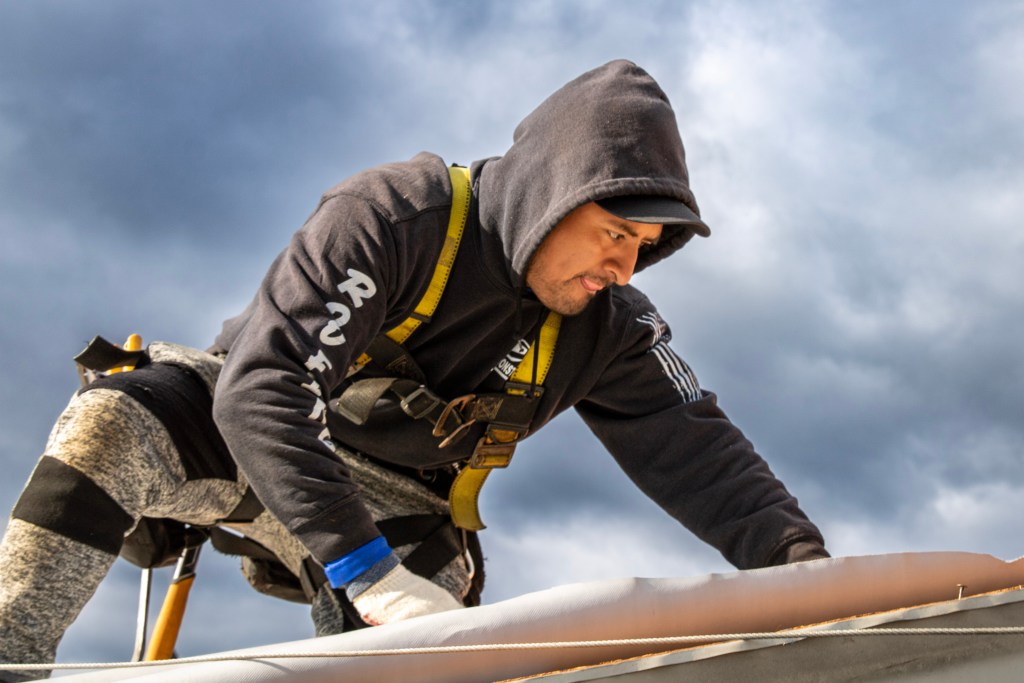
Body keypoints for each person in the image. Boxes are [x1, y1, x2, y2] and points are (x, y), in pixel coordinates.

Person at [0, 60, 827, 680]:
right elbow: (262, 390)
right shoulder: (393, 217)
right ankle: (12, 656)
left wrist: (806, 573)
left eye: (643, 248)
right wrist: (368, 574)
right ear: (554, 191)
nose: (623, 267)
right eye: (615, 233)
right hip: (248, 430)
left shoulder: (611, 326)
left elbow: (701, 449)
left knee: (430, 656)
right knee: (114, 420)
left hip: (399, 500)